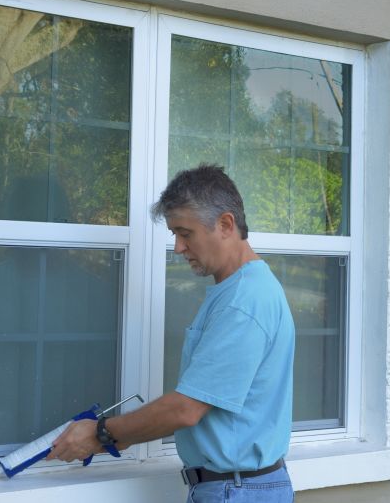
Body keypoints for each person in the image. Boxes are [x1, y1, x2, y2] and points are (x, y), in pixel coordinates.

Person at [47, 164, 295, 502]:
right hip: (237, 487)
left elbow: (186, 409)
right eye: (174, 234)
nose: (178, 247)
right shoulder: (239, 290)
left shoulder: (244, 301)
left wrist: (100, 433)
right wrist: (116, 437)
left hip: (237, 491)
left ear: (225, 224)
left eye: (185, 233)